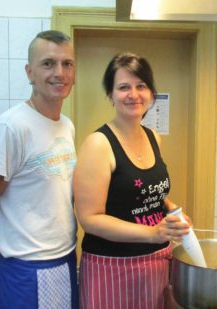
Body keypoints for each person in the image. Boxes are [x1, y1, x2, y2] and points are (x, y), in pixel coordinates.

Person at [0, 30, 78, 309]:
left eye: (67, 64)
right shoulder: (11, 127)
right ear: (30, 72)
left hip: (64, 261)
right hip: (24, 271)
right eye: (48, 63)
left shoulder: (66, 125)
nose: (59, 73)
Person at [74, 52, 192, 309]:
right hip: (112, 268)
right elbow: (90, 218)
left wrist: (172, 211)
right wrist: (152, 233)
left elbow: (150, 195)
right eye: (124, 87)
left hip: (157, 263)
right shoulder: (99, 144)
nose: (134, 94)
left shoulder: (153, 137)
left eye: (141, 86)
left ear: (151, 93)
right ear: (111, 95)